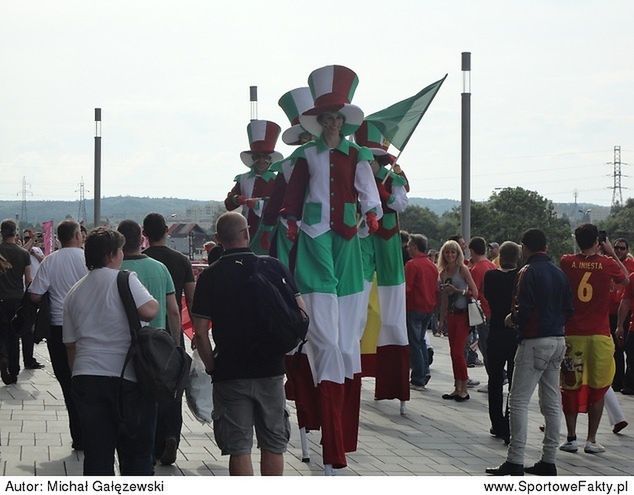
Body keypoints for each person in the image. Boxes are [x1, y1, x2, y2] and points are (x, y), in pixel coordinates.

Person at [280, 65, 382, 473]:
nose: (333, 123)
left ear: (343, 121)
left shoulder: (357, 154)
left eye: (338, 118)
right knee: (322, 299)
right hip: (315, 230)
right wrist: (289, 216)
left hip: (346, 232)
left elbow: (366, 188)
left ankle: (339, 350)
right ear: (320, 122)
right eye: (327, 118)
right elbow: (295, 191)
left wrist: (372, 212)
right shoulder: (307, 154)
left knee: (346, 313)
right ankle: (321, 347)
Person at [191, 212, 293, 476]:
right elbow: (300, 314)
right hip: (271, 368)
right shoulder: (273, 267)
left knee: (239, 447)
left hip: (230, 371)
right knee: (273, 443)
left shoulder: (210, 276)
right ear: (247, 233)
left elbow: (201, 333)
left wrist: (213, 367)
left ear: (218, 239)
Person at [63, 227, 158, 475]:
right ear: (112, 254)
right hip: (125, 378)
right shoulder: (124, 279)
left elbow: (70, 345)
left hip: (86, 377)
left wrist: (78, 375)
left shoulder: (75, 291)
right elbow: (150, 311)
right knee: (136, 453)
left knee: (97, 455)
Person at [486, 228, 572, 476]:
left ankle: (515, 459)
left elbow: (522, 308)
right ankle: (549, 459)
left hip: (535, 340)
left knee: (518, 400)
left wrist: (513, 319)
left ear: (525, 247)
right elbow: (569, 308)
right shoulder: (559, 273)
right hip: (558, 338)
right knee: (552, 402)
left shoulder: (528, 271)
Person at [559, 223, 628, 454]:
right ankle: (591, 439)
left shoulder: (567, 261)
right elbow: (626, 279)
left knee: (570, 384)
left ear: (577, 240)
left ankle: (570, 437)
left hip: (573, 333)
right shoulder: (607, 264)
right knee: (599, 386)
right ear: (598, 242)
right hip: (599, 335)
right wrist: (609, 252)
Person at [117, 219, 182, 465]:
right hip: (157, 346)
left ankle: (141, 449)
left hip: (124, 347)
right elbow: (174, 310)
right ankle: (163, 439)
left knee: (132, 401)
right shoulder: (159, 268)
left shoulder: (115, 267)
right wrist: (175, 345)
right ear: (140, 238)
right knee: (159, 394)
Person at [142, 213, 195, 465]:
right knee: (174, 389)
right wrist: (195, 334)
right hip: (172, 335)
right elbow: (191, 301)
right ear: (166, 231)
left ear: (145, 234)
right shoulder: (181, 260)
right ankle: (171, 435)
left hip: (145, 337)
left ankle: (153, 444)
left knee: (148, 388)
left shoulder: (141, 260)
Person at [29, 220, 88, 449]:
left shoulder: (50, 260)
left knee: (66, 381)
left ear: (58, 238)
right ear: (76, 235)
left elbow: (35, 295)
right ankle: (92, 430)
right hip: (85, 327)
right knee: (87, 379)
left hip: (58, 327)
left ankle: (78, 434)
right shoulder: (88, 259)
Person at [483, 241, 521, 443]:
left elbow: (487, 297)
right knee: (514, 382)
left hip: (496, 330)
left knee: (495, 380)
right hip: (515, 333)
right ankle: (509, 422)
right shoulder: (520, 277)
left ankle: (496, 422)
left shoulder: (490, 276)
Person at [224, 119, 282, 252]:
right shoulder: (243, 179)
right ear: (253, 159)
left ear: (270, 160)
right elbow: (229, 204)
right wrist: (236, 198)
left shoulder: (277, 179)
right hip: (246, 229)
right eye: (258, 157)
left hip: (270, 229)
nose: (262, 160)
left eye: (265, 157)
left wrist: (259, 204)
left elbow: (280, 202)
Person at [437, 239, 478, 401]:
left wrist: (458, 291)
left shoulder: (463, 270)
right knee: (453, 353)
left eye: (453, 252)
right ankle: (457, 386)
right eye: (447, 252)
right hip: (451, 316)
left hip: (463, 315)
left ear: (458, 253)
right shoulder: (443, 272)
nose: (450, 255)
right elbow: (444, 299)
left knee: (458, 352)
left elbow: (474, 292)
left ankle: (464, 388)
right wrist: (441, 320)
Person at [405, 234, 439, 390]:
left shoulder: (412, 265)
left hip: (414, 307)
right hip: (428, 308)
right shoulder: (431, 265)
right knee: (421, 341)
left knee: (415, 343)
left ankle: (418, 377)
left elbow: (407, 288)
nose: (407, 247)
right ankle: (424, 372)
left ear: (415, 247)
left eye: (410, 245)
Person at [0, 219, 32, 385]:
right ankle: (13, 370)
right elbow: (28, 280)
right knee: (14, 335)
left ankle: (2, 354)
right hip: (17, 299)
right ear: (15, 232)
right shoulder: (23, 253)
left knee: (1, 333)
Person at [468, 237, 497, 389]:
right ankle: (497, 375)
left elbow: (473, 292)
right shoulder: (492, 265)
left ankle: (495, 377)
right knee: (491, 346)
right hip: (494, 310)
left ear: (472, 251)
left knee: (485, 347)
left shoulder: (476, 269)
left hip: (482, 313)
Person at [607, 238, 634, 391]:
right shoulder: (608, 263)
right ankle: (618, 381)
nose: (618, 250)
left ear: (627, 250)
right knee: (615, 349)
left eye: (622, 248)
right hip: (610, 311)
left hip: (625, 312)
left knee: (626, 348)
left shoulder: (630, 266)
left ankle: (628, 381)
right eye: (616, 247)